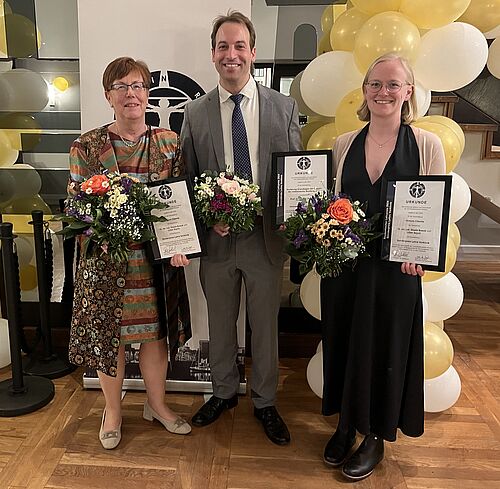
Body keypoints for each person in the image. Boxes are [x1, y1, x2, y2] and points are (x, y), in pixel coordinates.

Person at [175, 11, 302, 445]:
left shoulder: (283, 107)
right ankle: (223, 392)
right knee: (220, 321)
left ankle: (265, 402)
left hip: (266, 240)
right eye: (223, 47)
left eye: (239, 46)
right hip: (217, 240)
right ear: (213, 54)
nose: (232, 55)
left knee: (264, 325)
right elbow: (188, 179)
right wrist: (209, 217)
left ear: (252, 52)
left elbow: (296, 177)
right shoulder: (194, 113)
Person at [320, 53, 446, 480]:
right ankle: (344, 424)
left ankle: (374, 434)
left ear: (409, 92)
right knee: (344, 341)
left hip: (397, 273)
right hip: (347, 270)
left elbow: (434, 213)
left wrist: (421, 254)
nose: (383, 92)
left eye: (393, 84)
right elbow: (331, 206)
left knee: (386, 348)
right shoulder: (344, 144)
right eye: (375, 84)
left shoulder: (427, 146)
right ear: (365, 91)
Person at [67, 57, 191, 450]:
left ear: (148, 94)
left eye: (137, 85)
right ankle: (113, 410)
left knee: (156, 337)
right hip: (105, 261)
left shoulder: (169, 142)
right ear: (108, 96)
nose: (130, 94)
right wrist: (98, 229)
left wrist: (180, 245)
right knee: (112, 338)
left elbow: (179, 202)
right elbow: (77, 208)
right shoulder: (85, 146)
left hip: (156, 262)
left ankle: (157, 405)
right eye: (120, 87)